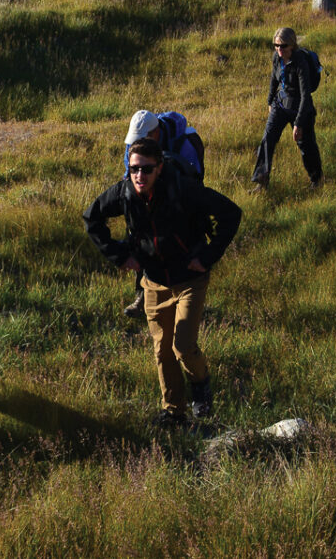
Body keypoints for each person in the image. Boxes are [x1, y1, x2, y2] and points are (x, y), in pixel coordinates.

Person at [84, 139, 242, 428]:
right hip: (154, 281)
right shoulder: (125, 193)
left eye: (146, 169)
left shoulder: (183, 189)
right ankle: (174, 412)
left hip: (189, 278)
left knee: (182, 345)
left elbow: (231, 214)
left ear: (160, 168)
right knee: (162, 349)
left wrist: (207, 256)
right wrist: (119, 257)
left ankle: (201, 385)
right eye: (134, 169)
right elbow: (91, 219)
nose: (139, 176)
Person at [119, 110, 207, 317]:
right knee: (141, 239)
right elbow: (128, 175)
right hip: (146, 194)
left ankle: (185, 296)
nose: (135, 145)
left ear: (155, 134)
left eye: (142, 140)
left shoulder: (185, 144)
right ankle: (142, 297)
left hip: (179, 196)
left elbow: (194, 181)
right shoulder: (135, 143)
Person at [255, 26, 322, 189]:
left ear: (292, 45)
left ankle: (317, 179)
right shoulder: (276, 57)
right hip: (280, 103)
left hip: (300, 106)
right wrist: (270, 101)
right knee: (267, 140)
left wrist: (298, 123)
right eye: (276, 45)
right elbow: (274, 79)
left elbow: (306, 95)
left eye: (283, 46)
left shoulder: (301, 62)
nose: (279, 49)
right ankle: (261, 181)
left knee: (306, 145)